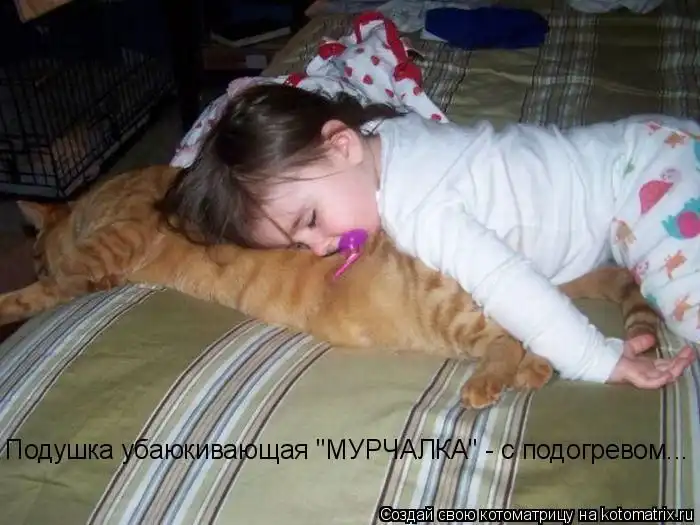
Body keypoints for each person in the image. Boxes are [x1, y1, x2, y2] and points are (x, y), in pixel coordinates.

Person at [159, 83, 698, 388]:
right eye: (301, 245)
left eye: (311, 220)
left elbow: (509, 285)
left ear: (341, 146)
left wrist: (598, 360)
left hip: (642, 178)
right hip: (638, 145)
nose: (320, 247)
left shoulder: (421, 206)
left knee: (687, 302)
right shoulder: (386, 138)